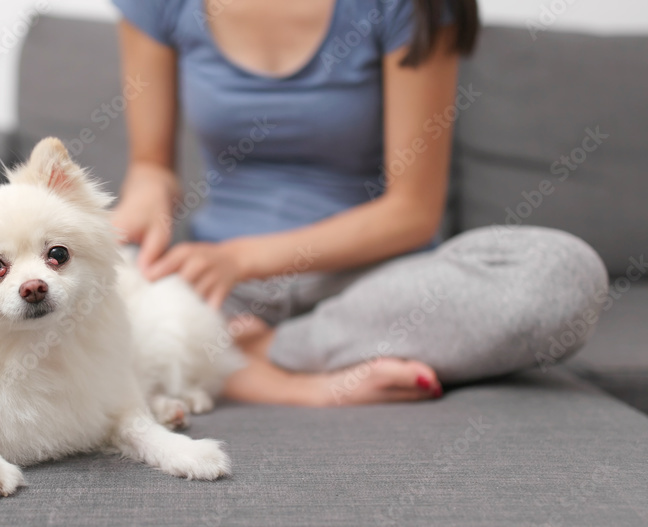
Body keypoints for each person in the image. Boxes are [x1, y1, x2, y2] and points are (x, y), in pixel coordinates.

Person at [109, 0, 608, 406]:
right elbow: (152, 165)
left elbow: (412, 212)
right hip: (222, 289)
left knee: (563, 274)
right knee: (74, 313)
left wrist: (239, 258)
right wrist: (143, 202)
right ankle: (275, 373)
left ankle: (258, 356)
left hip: (372, 283)